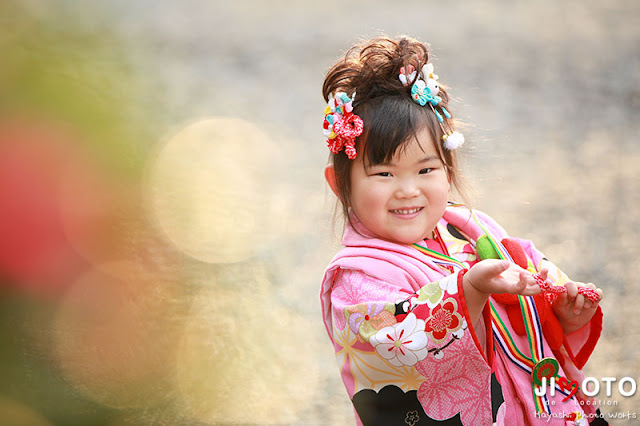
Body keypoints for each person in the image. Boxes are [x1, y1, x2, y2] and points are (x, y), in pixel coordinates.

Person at [319, 35, 605, 425]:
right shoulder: (356, 276)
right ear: (342, 186)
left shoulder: (472, 228)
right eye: (383, 173)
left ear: (448, 170)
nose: (408, 189)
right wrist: (468, 292)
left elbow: (532, 306)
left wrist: (562, 313)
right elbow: (391, 349)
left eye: (425, 169)